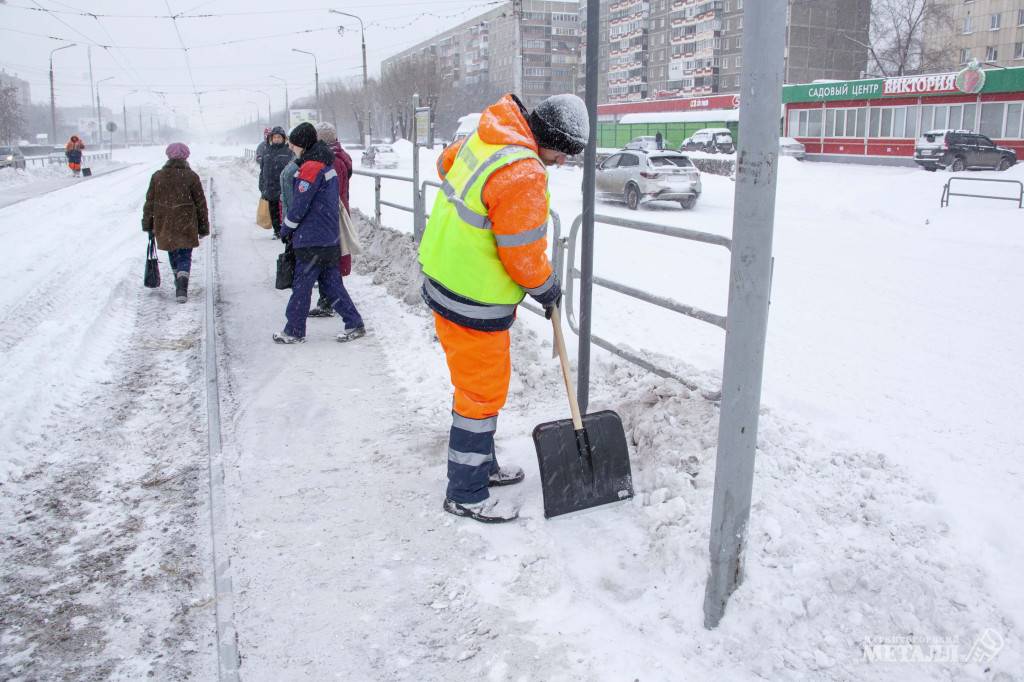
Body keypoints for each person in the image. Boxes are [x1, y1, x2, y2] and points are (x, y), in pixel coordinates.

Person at [418, 93, 587, 523]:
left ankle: (482, 465)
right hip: (472, 298)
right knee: (480, 395)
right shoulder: (523, 172)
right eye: (562, 153)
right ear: (550, 139)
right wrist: (547, 288)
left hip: (446, 277)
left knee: (476, 387)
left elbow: (445, 166)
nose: (562, 162)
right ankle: (466, 492)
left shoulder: (490, 136)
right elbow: (523, 255)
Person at [273, 122, 365, 344]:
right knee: (331, 285)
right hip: (328, 237)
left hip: (311, 239)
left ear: (302, 144)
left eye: (293, 144)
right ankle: (354, 323)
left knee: (302, 287)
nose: (291, 148)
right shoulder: (326, 164)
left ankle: (294, 331)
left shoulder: (311, 168)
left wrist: (286, 229)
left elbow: (299, 206)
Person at [142, 143, 210, 303]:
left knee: (172, 251)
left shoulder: (158, 176)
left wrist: (148, 224)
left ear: (168, 156)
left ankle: (178, 280)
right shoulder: (191, 176)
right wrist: (203, 227)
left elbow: (149, 203)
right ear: (186, 156)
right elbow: (201, 204)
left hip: (165, 222)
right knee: (185, 254)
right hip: (186, 221)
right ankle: (182, 286)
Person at [307, 121, 354, 317]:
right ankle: (329, 300)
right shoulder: (340, 157)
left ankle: (330, 302)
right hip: (337, 211)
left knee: (330, 261)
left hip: (331, 214)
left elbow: (330, 190)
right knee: (332, 259)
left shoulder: (331, 161)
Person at [258, 126, 294, 240]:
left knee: (285, 210)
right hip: (270, 187)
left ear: (283, 138)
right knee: (273, 211)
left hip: (284, 187)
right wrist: (262, 185)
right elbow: (262, 170)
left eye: (279, 137)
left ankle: (286, 230)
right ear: (271, 138)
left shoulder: (289, 151)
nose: (277, 139)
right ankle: (277, 231)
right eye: (275, 137)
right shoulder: (267, 151)